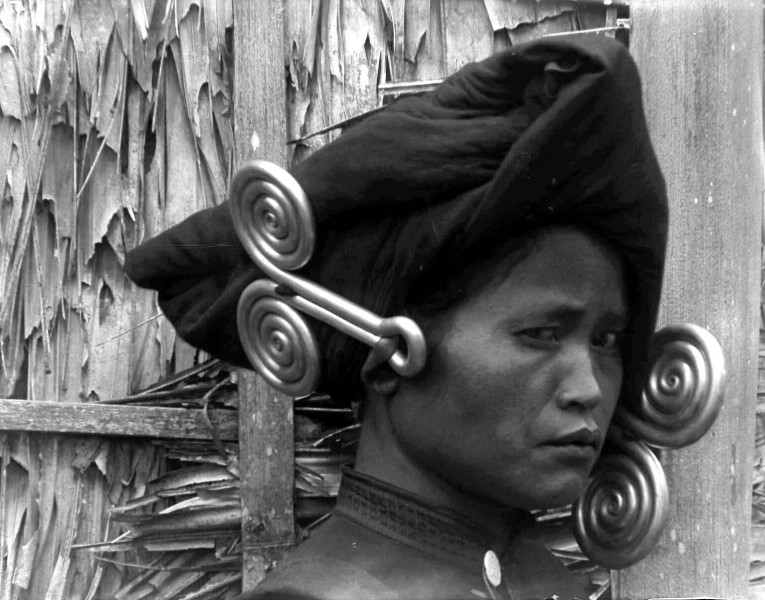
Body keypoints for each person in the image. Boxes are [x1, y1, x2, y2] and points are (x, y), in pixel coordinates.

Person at [124, 34, 667, 600]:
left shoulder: (553, 586)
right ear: (387, 359)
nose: (588, 389)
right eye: (541, 334)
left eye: (606, 341)